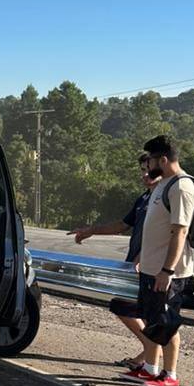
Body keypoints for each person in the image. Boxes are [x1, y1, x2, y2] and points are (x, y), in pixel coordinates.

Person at [118, 134, 194, 386]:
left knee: (167, 321)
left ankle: (169, 375)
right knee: (153, 319)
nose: (148, 165)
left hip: (167, 271)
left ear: (162, 159)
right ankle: (150, 368)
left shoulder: (181, 187)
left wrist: (167, 270)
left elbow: (180, 232)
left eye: (151, 160)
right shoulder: (163, 183)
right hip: (152, 267)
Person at [69, 155, 162, 367]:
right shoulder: (144, 199)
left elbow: (168, 234)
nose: (145, 175)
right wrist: (91, 230)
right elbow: (122, 225)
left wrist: (143, 256)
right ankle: (149, 355)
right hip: (137, 264)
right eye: (142, 170)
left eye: (150, 170)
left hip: (151, 265)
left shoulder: (164, 198)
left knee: (126, 306)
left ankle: (150, 355)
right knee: (132, 308)